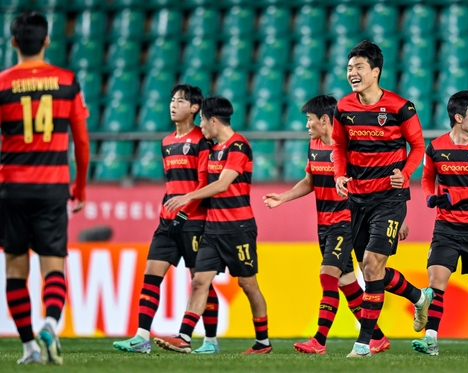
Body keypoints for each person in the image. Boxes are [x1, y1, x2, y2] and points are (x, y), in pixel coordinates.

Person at [263, 94, 400, 355]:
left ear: (325, 120)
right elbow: (310, 181)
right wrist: (283, 197)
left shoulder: (349, 146)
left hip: (346, 221)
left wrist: (393, 212)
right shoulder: (314, 144)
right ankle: (378, 337)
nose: (306, 125)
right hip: (323, 224)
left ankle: (319, 341)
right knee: (348, 284)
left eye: (309, 120)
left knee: (327, 275)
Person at [331, 40, 433, 358]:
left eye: (359, 67)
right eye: (349, 68)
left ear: (375, 71)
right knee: (369, 269)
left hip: (389, 198)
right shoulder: (344, 108)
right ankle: (418, 296)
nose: (353, 73)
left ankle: (363, 344)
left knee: (373, 266)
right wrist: (339, 174)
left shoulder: (401, 108)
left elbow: (418, 146)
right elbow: (338, 147)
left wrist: (406, 172)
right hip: (357, 198)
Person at [0, 12, 90, 365]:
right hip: (53, 187)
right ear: (47, 41)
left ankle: (29, 348)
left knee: (15, 268)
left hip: (11, 190)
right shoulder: (67, 81)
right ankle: (50, 323)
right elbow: (81, 142)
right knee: (54, 266)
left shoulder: (3, 84)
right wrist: (79, 186)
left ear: (14, 43)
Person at [158, 96, 272, 354]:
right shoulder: (211, 147)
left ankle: (263, 342)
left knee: (248, 284)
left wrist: (188, 196)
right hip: (212, 229)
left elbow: (222, 184)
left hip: (238, 228)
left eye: (202, 120)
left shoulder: (239, 146)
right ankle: (184, 338)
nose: (201, 126)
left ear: (213, 120)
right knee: (199, 281)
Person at [113, 84, 220, 355]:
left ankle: (210, 340)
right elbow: (172, 184)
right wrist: (168, 212)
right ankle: (141, 337)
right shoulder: (166, 142)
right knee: (151, 277)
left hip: (194, 221)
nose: (173, 104)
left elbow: (204, 183)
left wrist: (185, 211)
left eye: (181, 101)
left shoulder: (201, 141)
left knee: (201, 282)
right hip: (167, 222)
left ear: (195, 108)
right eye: (172, 100)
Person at [413, 90, 468, 357]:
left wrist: (455, 196)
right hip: (446, 228)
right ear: (459, 117)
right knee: (436, 283)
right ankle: (431, 340)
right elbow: (427, 178)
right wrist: (430, 196)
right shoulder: (436, 147)